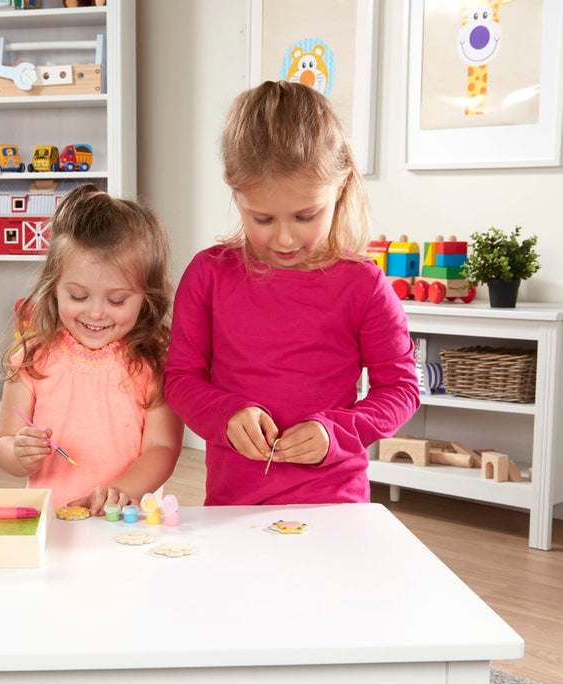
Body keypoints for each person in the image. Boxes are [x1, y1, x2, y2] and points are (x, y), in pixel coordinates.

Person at [164, 81, 420, 506]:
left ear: (338, 188)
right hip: (234, 506)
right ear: (236, 194)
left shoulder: (364, 285)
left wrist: (335, 433)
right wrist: (225, 415)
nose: (284, 238)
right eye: (262, 218)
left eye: (305, 215)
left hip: (334, 506)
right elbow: (180, 379)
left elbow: (400, 388)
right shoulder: (208, 276)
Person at [0, 184, 184, 514]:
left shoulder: (154, 364)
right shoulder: (31, 359)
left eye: (116, 300)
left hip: (126, 521)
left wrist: (119, 491)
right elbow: (3, 442)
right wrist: (19, 453)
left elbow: (162, 448)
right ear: (54, 287)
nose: (95, 313)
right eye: (78, 296)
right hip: (54, 521)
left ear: (146, 297)